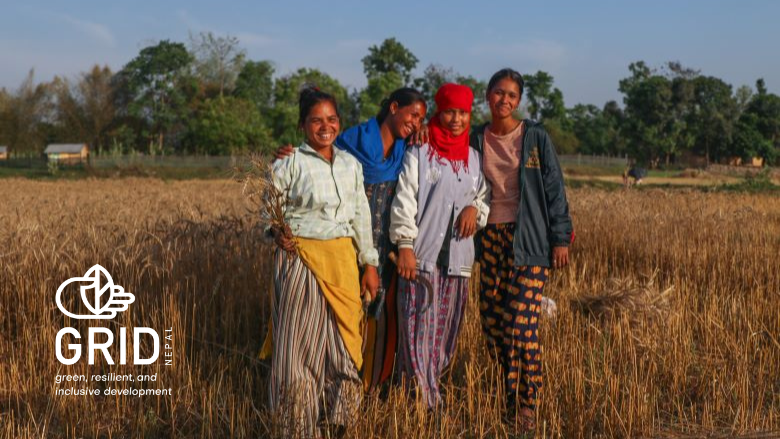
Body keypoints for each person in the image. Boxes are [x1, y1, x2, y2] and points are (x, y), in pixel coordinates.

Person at [275, 87, 428, 392]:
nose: (417, 123)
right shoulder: (343, 148)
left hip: (377, 248)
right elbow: (278, 201)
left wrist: (375, 259)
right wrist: (278, 229)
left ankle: (365, 392)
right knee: (317, 333)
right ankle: (310, 405)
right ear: (394, 107)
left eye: (422, 119)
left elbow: (368, 210)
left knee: (370, 322)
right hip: (325, 253)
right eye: (413, 114)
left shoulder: (396, 152)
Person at [267, 86, 380, 438]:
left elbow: (361, 215)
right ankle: (297, 426)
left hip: (343, 264)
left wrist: (370, 264)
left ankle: (339, 420)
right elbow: (268, 208)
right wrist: (276, 229)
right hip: (300, 261)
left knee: (345, 345)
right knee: (296, 349)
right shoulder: (288, 163)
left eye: (331, 119)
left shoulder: (351, 165)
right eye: (316, 120)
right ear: (303, 125)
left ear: (340, 124)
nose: (325, 126)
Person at [471, 68, 573, 432]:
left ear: (519, 101)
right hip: (490, 241)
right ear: (487, 95)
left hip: (529, 241)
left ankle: (527, 405)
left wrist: (560, 237)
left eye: (512, 95)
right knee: (494, 326)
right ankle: (507, 397)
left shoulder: (534, 137)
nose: (505, 100)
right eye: (499, 93)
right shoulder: (474, 138)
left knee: (522, 327)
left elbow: (554, 188)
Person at [389, 83, 490, 408]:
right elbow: (404, 199)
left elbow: (483, 197)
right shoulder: (420, 151)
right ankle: (425, 401)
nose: (456, 119)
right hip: (422, 258)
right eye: (450, 111)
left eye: (463, 112)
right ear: (439, 111)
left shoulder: (474, 158)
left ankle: (422, 393)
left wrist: (476, 209)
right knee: (417, 331)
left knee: (445, 336)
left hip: (458, 260)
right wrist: (405, 243)